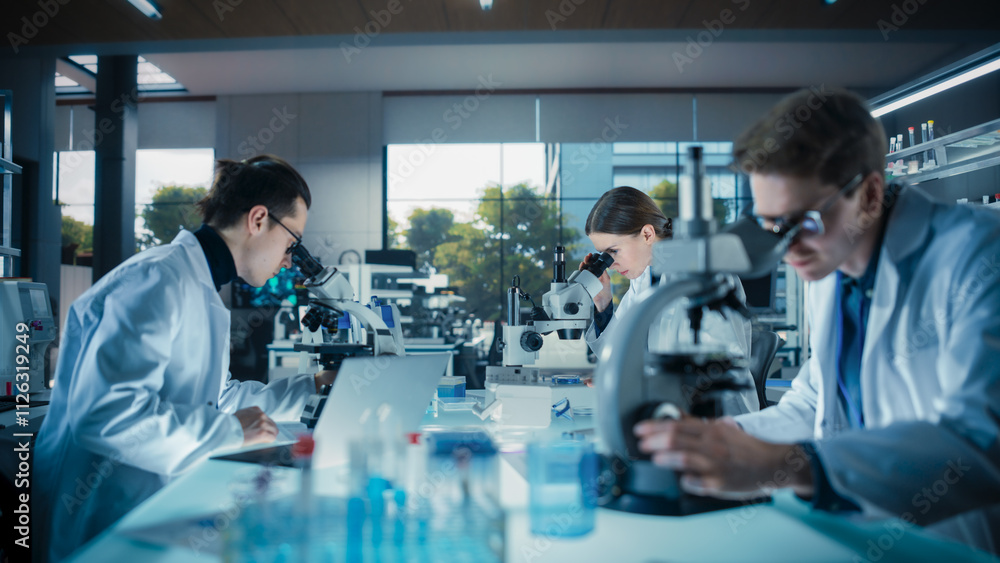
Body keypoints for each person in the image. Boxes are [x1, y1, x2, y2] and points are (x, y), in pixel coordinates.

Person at [633, 89, 1000, 554]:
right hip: (855, 534)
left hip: (953, 543)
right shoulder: (832, 266)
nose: (786, 248)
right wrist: (719, 441)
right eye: (771, 225)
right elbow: (812, 403)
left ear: (868, 193)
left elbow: (980, 445)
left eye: (803, 220)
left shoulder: (978, 257)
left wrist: (796, 466)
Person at [33, 155, 335, 561]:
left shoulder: (202, 288)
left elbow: (218, 398)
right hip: (96, 517)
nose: (289, 259)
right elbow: (106, 416)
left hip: (147, 509)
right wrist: (229, 432)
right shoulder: (156, 279)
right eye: (292, 242)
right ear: (258, 219)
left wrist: (310, 390)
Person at [582, 186, 758, 414]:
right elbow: (620, 351)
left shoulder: (704, 272)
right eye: (603, 255)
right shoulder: (645, 276)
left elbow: (716, 368)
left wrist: (637, 386)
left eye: (613, 251)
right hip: (667, 413)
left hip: (716, 419)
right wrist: (603, 302)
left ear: (647, 234)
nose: (610, 264)